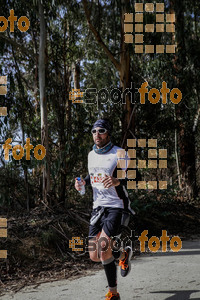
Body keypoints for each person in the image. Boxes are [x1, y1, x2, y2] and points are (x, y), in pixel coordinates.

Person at [75, 118, 134, 300]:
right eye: (94, 131)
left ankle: (113, 294)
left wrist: (118, 181)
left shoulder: (119, 153)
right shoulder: (91, 154)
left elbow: (133, 177)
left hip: (116, 206)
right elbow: (92, 174)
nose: (97, 135)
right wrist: (83, 182)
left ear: (108, 133)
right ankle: (123, 254)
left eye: (101, 131)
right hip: (97, 207)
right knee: (94, 255)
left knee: (103, 246)